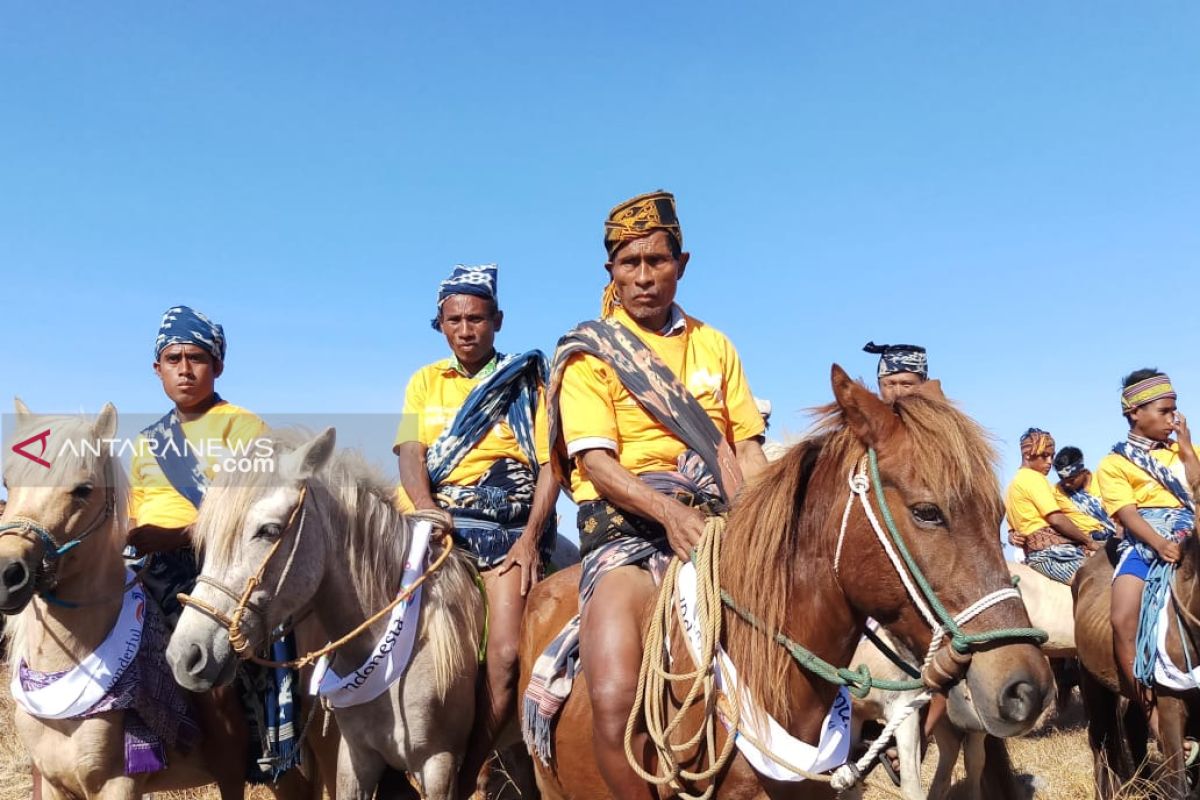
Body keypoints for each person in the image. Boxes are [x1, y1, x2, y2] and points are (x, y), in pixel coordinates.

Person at [522, 190, 767, 797]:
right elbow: (597, 465)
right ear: (611, 272)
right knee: (612, 695)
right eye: (629, 264)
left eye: (656, 261)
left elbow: (749, 449)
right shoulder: (588, 353)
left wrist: (765, 523)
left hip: (721, 516)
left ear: (681, 264)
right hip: (627, 529)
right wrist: (669, 513)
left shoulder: (715, 346)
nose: (643, 277)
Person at [393, 264, 559, 798]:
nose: (466, 329)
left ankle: (466, 778)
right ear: (440, 324)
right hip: (439, 525)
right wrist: (425, 508)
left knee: (507, 654)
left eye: (477, 318)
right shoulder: (424, 380)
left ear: (498, 320)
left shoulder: (527, 380)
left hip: (509, 529)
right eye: (455, 319)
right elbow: (412, 454)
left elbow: (552, 465)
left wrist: (531, 537)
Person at [128, 305, 285, 786]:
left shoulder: (244, 428)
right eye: (172, 358)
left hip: (211, 570)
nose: (183, 368)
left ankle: (233, 786)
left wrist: (175, 536)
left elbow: (245, 515)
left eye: (195, 357)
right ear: (157, 369)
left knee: (210, 684)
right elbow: (132, 515)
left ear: (217, 365)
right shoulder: (144, 443)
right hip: (143, 568)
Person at [1098, 369, 1199, 731]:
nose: (1173, 418)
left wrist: (1188, 451)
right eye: (1164, 411)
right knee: (1122, 617)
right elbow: (1126, 512)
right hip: (1147, 540)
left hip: (1193, 531)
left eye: (1175, 410)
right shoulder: (1114, 463)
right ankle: (1150, 711)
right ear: (1134, 413)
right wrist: (1159, 543)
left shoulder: (1188, 452)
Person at [1005, 428, 1099, 584]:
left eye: (1052, 455)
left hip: (1045, 553)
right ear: (1028, 455)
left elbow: (1013, 532)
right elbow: (1056, 519)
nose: (1050, 461)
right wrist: (1088, 542)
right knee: (1101, 583)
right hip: (1053, 554)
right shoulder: (1033, 478)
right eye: (1044, 456)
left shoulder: (1012, 485)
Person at [1051, 446, 1117, 543]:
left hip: (1118, 535)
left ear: (1082, 472)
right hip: (1086, 543)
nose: (1066, 484)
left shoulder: (1104, 480)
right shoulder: (1057, 492)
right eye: (1063, 480)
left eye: (1071, 480)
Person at [862, 341, 928, 403]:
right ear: (879, 385)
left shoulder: (936, 414)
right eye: (890, 385)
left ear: (925, 384)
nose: (898, 393)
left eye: (906, 385)